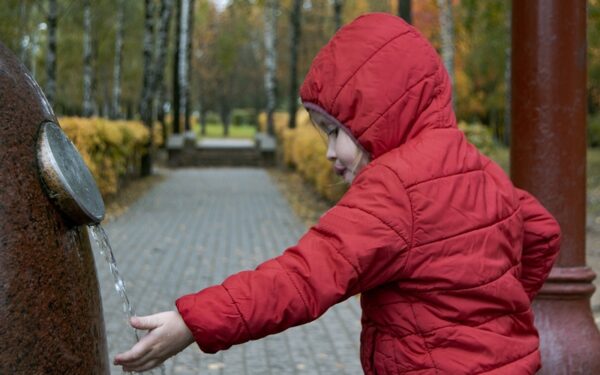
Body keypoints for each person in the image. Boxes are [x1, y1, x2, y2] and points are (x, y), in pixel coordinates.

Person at [115, 13, 561, 374]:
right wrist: (497, 308)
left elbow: (301, 278)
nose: (329, 152)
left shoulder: (394, 189)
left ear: (380, 112)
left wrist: (194, 322)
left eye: (335, 132)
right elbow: (541, 231)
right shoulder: (479, 166)